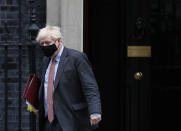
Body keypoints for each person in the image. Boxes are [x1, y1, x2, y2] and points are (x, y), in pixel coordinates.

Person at [35, 26, 102, 131]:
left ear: (58, 41)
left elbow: (90, 86)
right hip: (48, 121)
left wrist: (95, 111)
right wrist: (36, 105)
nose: (44, 46)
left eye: (47, 43)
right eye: (41, 43)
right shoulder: (45, 61)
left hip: (70, 119)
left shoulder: (77, 58)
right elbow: (44, 86)